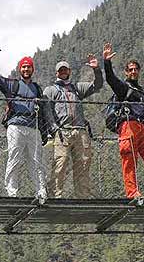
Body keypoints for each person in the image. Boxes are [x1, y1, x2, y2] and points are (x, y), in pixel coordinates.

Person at [0, 38, 51, 202]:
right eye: (24, 66)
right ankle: (12, 193)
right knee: (14, 158)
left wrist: (45, 132)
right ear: (19, 69)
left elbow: (43, 111)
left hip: (34, 127)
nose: (26, 69)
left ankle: (41, 192)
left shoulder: (37, 88)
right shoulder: (11, 85)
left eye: (29, 66)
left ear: (32, 69)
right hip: (15, 125)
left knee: (37, 162)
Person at [102, 42, 144, 200]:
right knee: (129, 158)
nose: (133, 72)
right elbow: (111, 79)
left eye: (135, 69)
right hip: (128, 124)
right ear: (126, 72)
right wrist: (107, 62)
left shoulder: (143, 91)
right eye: (130, 69)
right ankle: (132, 193)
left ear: (139, 72)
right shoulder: (123, 87)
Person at [43, 55, 103, 198]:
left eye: (65, 70)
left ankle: (82, 197)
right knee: (60, 163)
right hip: (62, 132)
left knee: (83, 165)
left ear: (69, 71)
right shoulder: (50, 90)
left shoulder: (77, 88)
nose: (63, 72)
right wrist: (54, 129)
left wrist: (96, 69)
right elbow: (46, 111)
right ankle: (55, 197)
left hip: (81, 132)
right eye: (60, 70)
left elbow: (97, 85)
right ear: (56, 73)